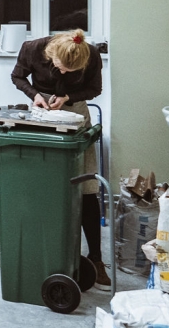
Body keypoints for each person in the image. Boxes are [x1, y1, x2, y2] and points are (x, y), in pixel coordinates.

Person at [10, 29, 110, 288]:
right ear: (51, 53)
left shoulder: (91, 54)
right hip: (42, 111)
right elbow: (17, 76)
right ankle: (39, 250)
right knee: (44, 186)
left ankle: (96, 258)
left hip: (75, 113)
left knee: (87, 188)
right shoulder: (32, 48)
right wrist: (35, 95)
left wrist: (68, 97)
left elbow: (95, 88)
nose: (63, 73)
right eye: (60, 67)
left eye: (70, 71)